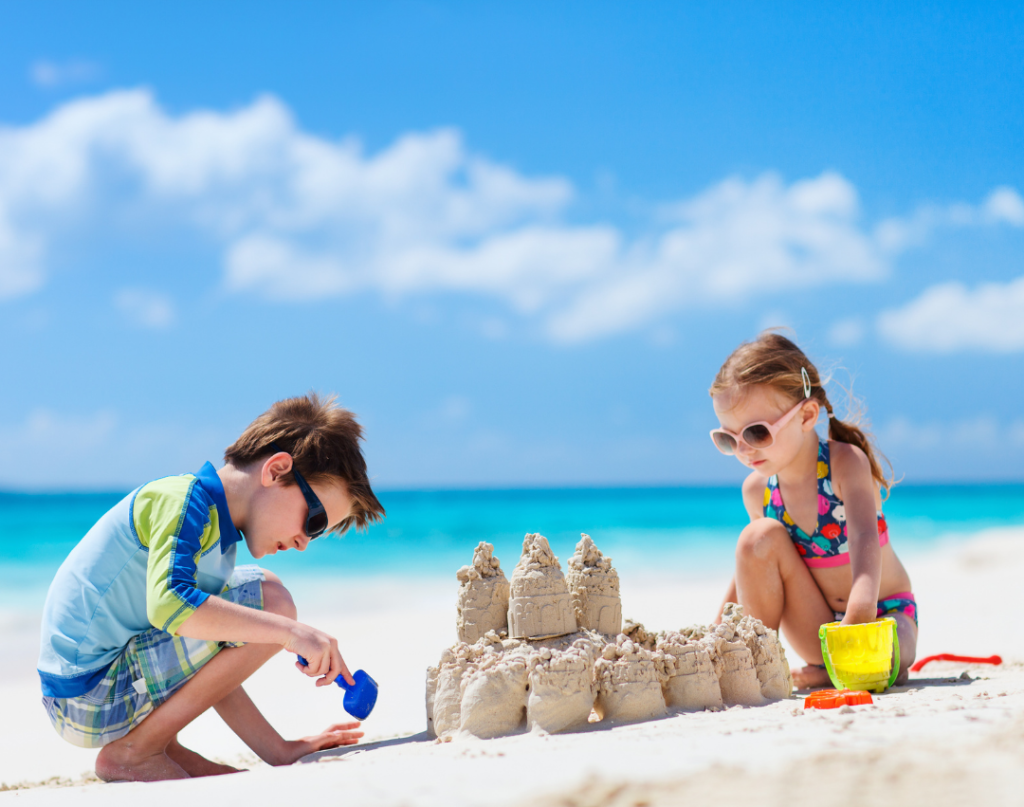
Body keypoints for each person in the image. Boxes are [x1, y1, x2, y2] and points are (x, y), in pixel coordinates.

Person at [37, 393, 385, 782]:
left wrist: (278, 749)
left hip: (100, 689)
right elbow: (169, 606)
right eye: (315, 521)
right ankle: (137, 751)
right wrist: (290, 632)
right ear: (276, 470)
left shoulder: (218, 539)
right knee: (272, 602)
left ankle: (162, 744)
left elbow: (211, 659)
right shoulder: (183, 502)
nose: (305, 541)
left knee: (259, 599)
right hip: (88, 696)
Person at [709, 332, 916, 689]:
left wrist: (860, 614)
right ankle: (754, 661)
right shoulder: (758, 491)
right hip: (818, 628)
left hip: (883, 611)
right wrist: (716, 633)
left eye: (757, 433)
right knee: (756, 537)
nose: (744, 449)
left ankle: (840, 671)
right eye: (728, 439)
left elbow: (865, 537)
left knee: (889, 663)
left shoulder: (845, 465)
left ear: (806, 416)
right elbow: (748, 568)